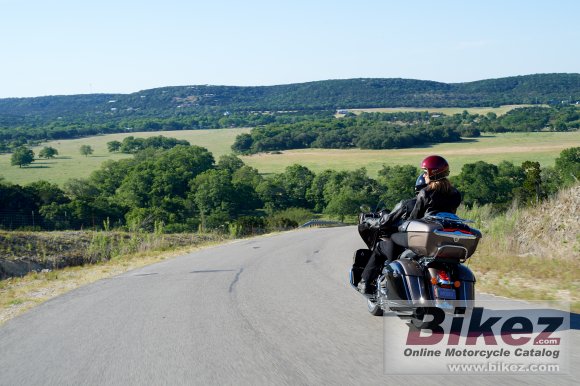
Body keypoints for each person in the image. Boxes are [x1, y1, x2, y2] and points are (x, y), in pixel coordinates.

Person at [358, 155, 461, 294]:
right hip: (442, 237)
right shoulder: (455, 193)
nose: (424, 175)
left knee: (388, 241)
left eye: (425, 172)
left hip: (423, 237)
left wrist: (400, 226)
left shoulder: (425, 193)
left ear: (433, 173)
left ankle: (364, 283)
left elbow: (414, 219)